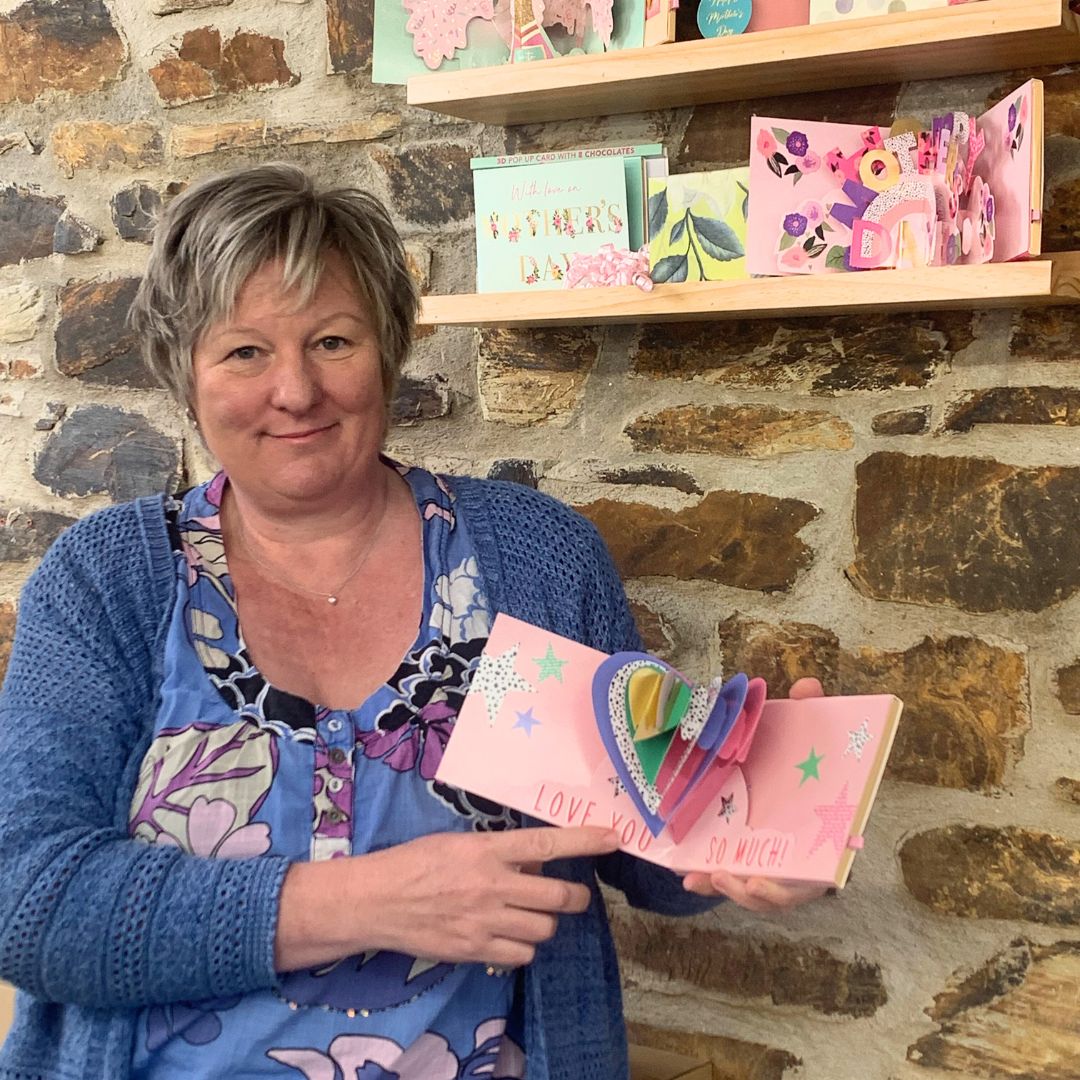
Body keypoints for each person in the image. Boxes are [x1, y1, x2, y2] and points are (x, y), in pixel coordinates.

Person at [0, 163, 824, 1080]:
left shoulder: (535, 557)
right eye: (244, 352)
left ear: (388, 350)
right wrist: (363, 902)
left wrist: (758, 832)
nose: (296, 391)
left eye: (332, 341)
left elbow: (638, 833)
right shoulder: (109, 578)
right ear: (183, 375)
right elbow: (28, 900)